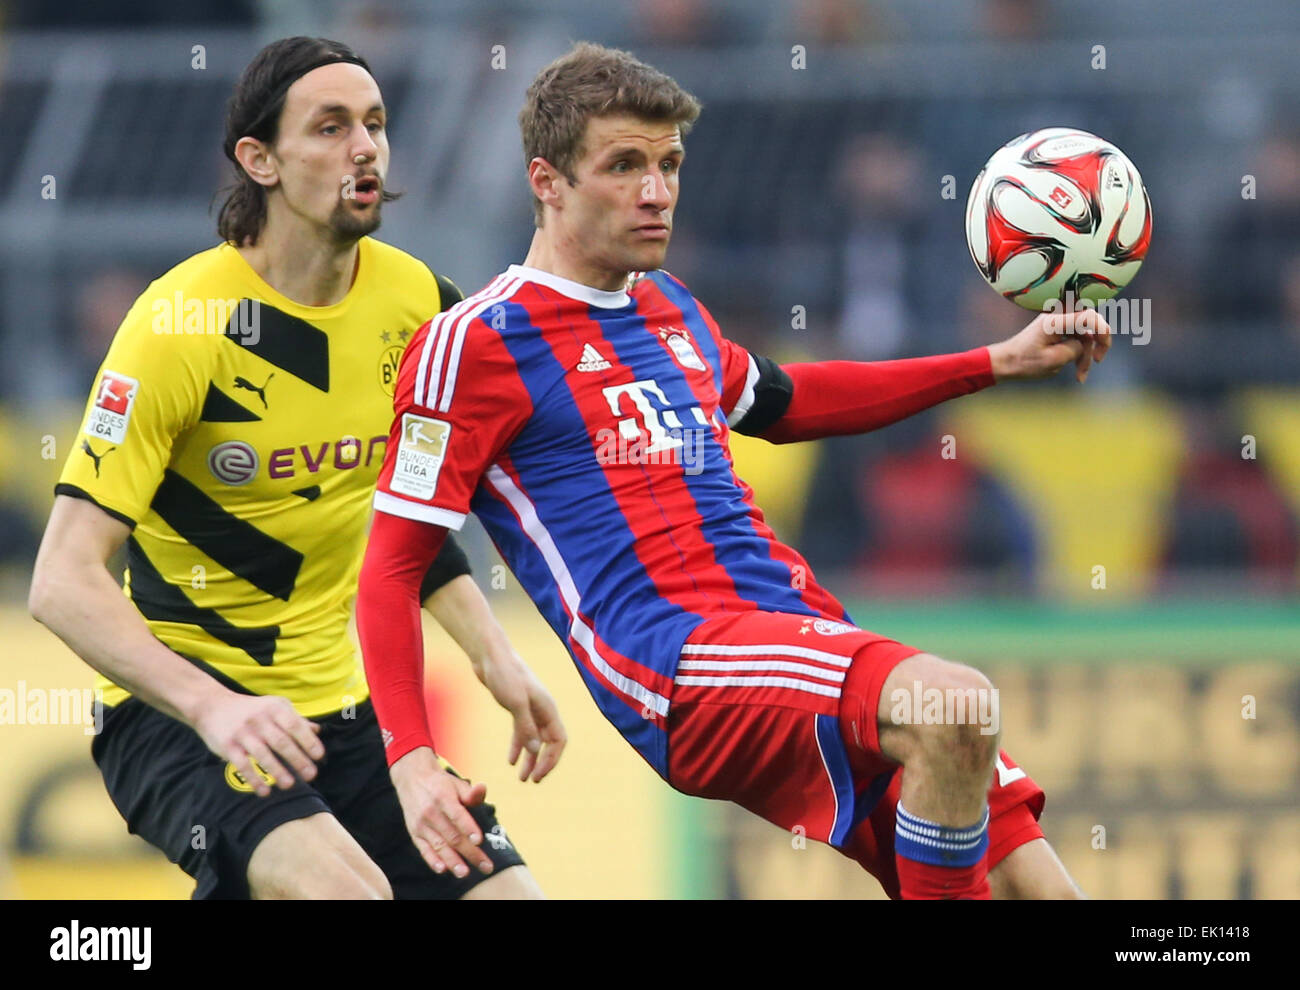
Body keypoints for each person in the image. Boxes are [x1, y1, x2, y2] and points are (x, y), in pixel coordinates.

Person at [357, 42, 1107, 899]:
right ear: (547, 180)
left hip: (795, 624)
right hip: (678, 664)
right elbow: (391, 565)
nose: (656, 191)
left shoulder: (667, 303)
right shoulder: (475, 341)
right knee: (953, 708)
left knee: (1030, 873)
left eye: (669, 164)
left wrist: (994, 361)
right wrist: (412, 760)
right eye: (625, 165)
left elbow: (784, 403)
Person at [28, 37, 564, 900]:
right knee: (346, 895)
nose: (365, 147)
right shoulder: (178, 324)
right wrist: (215, 707)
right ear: (259, 159)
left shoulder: (422, 304)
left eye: (377, 125)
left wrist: (493, 656)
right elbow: (59, 579)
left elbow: (409, 522)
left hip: (342, 719)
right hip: (179, 717)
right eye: (330, 127)